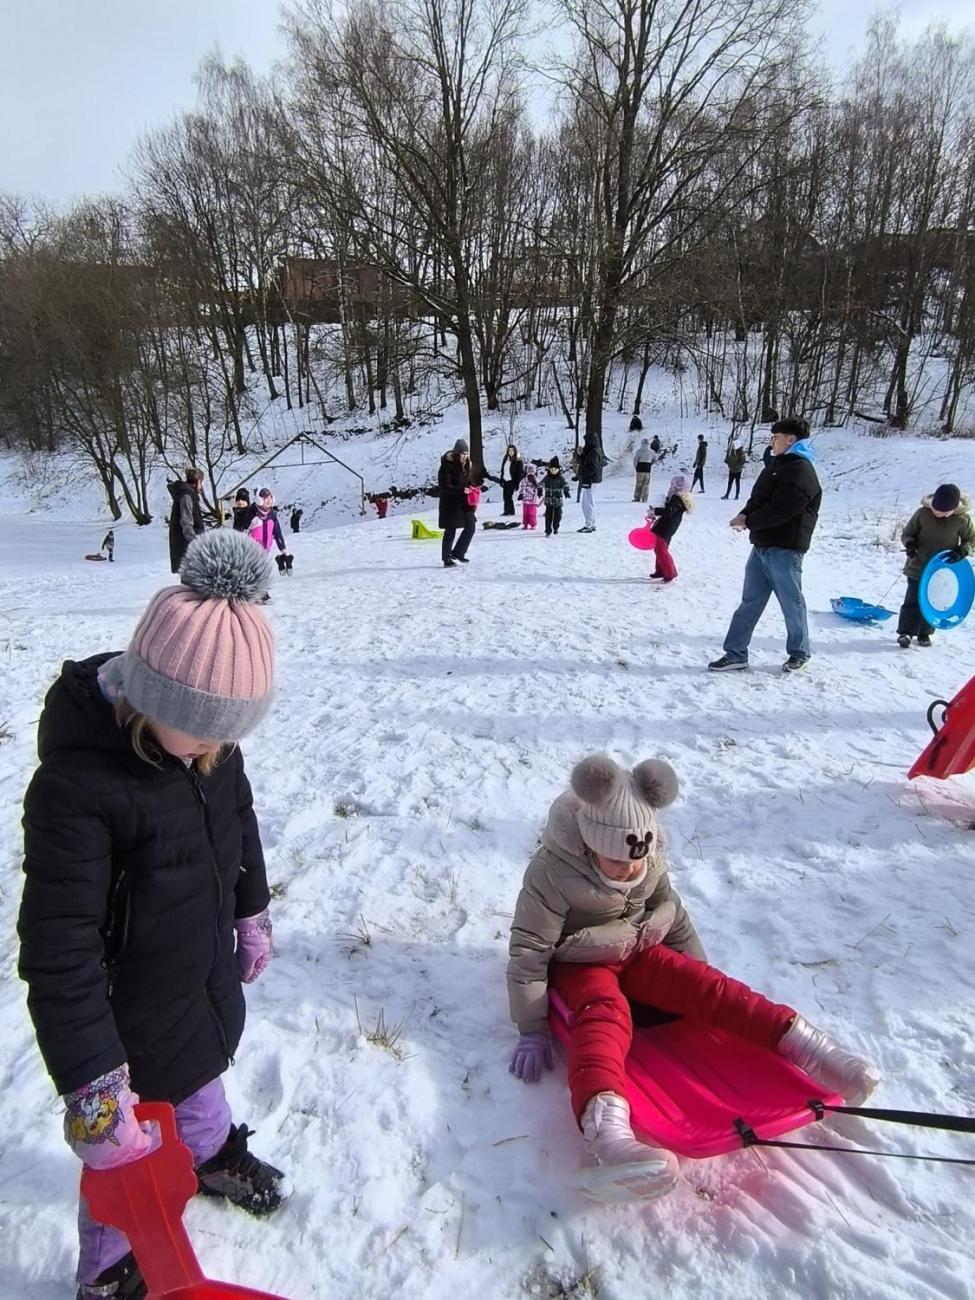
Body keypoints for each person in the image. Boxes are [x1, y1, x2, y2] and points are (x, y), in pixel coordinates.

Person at [18, 531, 285, 1300]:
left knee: (201, 1087)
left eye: (231, 730)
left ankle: (210, 1153)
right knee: (129, 1158)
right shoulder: (78, 790)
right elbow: (59, 947)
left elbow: (238, 823)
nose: (218, 745)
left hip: (193, 985)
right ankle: (111, 1268)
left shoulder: (208, 748)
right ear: (154, 698)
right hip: (122, 1027)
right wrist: (93, 1084)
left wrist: (250, 910)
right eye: (205, 727)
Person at [507, 754, 879, 1201]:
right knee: (603, 1015)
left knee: (712, 989)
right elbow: (529, 948)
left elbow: (672, 914)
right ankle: (610, 1136)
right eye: (617, 861)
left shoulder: (646, 859)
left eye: (637, 861)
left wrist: (696, 980)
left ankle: (817, 1051)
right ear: (590, 843)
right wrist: (531, 1028)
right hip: (582, 962)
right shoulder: (552, 873)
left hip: (640, 950)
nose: (629, 870)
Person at [708, 416, 821, 674]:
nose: (772, 442)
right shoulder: (776, 466)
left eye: (776, 438)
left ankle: (799, 653)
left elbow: (783, 509)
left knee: (791, 603)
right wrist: (744, 515)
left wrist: (749, 521)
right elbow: (758, 499)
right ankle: (736, 653)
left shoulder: (801, 469)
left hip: (786, 549)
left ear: (791, 439)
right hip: (762, 546)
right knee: (750, 602)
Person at [897, 483, 974, 648]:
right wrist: (910, 544)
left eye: (943, 512)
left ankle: (924, 633)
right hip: (918, 564)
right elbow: (908, 533)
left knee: (932, 602)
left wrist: (962, 551)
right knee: (912, 600)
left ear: (953, 509)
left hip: (941, 570)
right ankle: (906, 633)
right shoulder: (922, 513)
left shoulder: (962, 519)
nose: (937, 513)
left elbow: (971, 539)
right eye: (935, 509)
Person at [646, 474, 693, 582]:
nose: (671, 486)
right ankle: (660, 570)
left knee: (660, 549)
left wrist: (655, 511)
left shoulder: (677, 498)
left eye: (673, 484)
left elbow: (669, 512)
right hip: (667, 525)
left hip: (666, 527)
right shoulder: (679, 497)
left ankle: (670, 572)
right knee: (659, 549)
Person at [438, 439, 476, 568]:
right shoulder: (446, 466)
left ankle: (459, 552)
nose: (464, 456)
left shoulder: (467, 465)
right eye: (462, 454)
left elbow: (467, 480)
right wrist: (461, 489)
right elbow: (445, 486)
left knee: (471, 525)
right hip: (450, 503)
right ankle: (446, 558)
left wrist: (473, 486)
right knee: (450, 530)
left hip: (464, 502)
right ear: (456, 453)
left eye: (466, 454)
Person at [167, 467, 205, 574]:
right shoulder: (186, 496)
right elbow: (186, 523)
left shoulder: (188, 494)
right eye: (201, 482)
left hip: (187, 545)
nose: (201, 486)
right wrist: (195, 543)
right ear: (197, 481)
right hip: (186, 547)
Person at [577, 430, 604, 533]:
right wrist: (580, 455)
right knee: (588, 501)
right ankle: (591, 523)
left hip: (591, 480)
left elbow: (593, 467)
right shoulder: (594, 450)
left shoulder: (594, 452)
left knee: (587, 502)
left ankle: (589, 524)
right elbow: (587, 462)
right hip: (592, 479)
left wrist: (581, 473)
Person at [541, 458, 571, 536]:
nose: (553, 471)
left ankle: (556, 527)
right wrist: (539, 489)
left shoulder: (560, 478)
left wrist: (566, 490)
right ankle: (548, 530)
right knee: (548, 516)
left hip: (558, 501)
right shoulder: (547, 478)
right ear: (549, 469)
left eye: (555, 469)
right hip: (549, 500)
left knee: (558, 516)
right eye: (552, 469)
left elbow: (565, 484)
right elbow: (541, 483)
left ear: (558, 469)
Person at [500, 444, 525, 517]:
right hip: (505, 480)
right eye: (509, 450)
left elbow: (519, 473)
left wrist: (517, 484)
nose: (511, 452)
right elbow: (503, 469)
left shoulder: (518, 460)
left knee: (509, 496)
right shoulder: (505, 458)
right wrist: (501, 479)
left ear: (515, 451)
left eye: (512, 450)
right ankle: (506, 511)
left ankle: (511, 511)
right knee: (505, 497)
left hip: (512, 481)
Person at [632, 437, 658, 502]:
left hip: (640, 469)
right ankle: (644, 498)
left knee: (639, 484)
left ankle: (637, 498)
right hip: (647, 469)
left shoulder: (639, 451)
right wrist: (651, 464)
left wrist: (636, 467)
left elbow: (635, 459)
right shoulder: (651, 452)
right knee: (646, 485)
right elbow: (655, 459)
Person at [518, 464, 541, 530]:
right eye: (529, 471)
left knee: (532, 513)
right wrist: (521, 494)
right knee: (525, 513)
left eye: (532, 471)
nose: (530, 473)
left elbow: (539, 488)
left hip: (533, 500)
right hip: (525, 499)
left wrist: (539, 491)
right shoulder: (524, 480)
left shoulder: (536, 480)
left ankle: (533, 524)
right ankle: (525, 524)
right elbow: (522, 487)